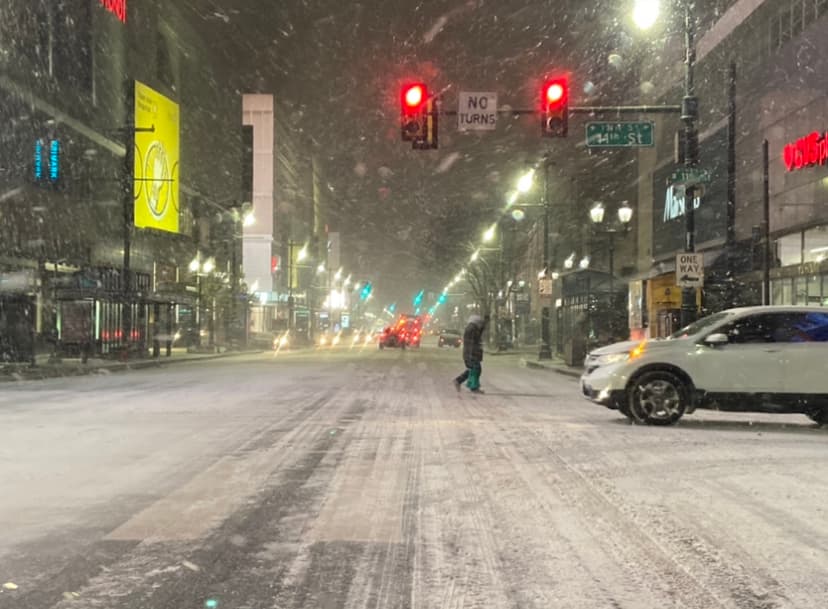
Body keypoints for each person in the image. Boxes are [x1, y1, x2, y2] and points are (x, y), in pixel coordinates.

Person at [453, 314, 488, 393]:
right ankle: (473, 387)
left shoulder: (472, 328)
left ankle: (458, 381)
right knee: (476, 369)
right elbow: (471, 342)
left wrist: (484, 323)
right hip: (471, 353)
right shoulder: (472, 329)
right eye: (481, 323)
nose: (481, 325)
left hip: (471, 353)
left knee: (472, 369)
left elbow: (478, 335)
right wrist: (471, 355)